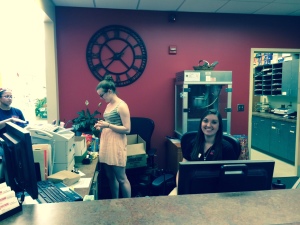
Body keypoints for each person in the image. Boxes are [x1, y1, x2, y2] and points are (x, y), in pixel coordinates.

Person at [170, 109, 236, 195]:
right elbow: (182, 170)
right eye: (205, 121)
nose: (209, 125)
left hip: (216, 193)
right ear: (201, 123)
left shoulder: (227, 148)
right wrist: (180, 187)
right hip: (191, 188)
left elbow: (232, 177)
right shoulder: (192, 144)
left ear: (219, 125)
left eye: (214, 122)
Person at [94, 75, 131, 199]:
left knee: (121, 178)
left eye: (101, 95)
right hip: (107, 142)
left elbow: (127, 129)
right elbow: (109, 123)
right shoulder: (109, 104)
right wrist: (102, 126)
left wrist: (108, 125)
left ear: (109, 91)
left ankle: (129, 205)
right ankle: (115, 203)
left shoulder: (121, 106)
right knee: (110, 176)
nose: (101, 98)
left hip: (116, 143)